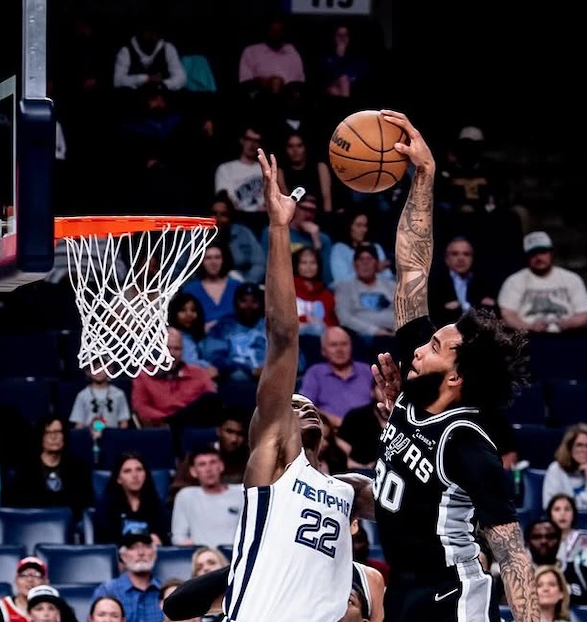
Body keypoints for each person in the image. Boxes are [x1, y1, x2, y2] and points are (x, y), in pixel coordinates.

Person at [161, 149, 357, 622]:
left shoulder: (350, 489)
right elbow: (284, 337)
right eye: (292, 404)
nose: (301, 405)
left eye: (307, 403)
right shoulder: (274, 464)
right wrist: (279, 228)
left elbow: (411, 500)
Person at [366, 110, 539, 622]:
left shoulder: (466, 444)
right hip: (405, 589)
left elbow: (513, 556)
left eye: (435, 347)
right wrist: (423, 178)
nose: (419, 349)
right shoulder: (415, 390)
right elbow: (412, 271)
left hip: (453, 598)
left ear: (456, 376)